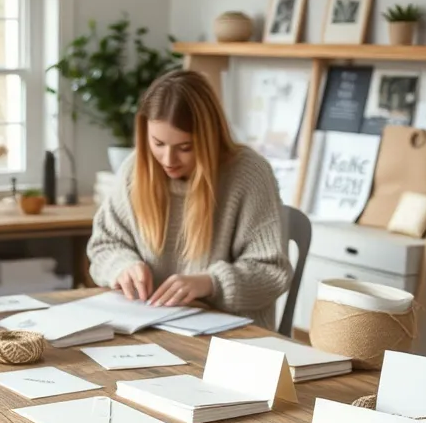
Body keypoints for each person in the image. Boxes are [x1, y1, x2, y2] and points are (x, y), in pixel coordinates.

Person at [87, 69, 291, 331]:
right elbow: (104, 245)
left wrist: (210, 282)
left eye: (185, 148)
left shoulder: (248, 174)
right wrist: (123, 266)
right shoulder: (134, 171)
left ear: (210, 138)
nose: (169, 160)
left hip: (233, 341)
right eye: (158, 143)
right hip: (150, 333)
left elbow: (272, 272)